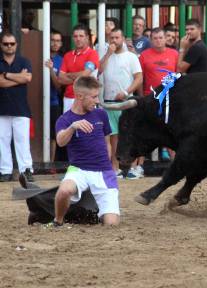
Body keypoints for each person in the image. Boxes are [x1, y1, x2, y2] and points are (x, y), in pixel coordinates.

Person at [49, 76, 120, 227]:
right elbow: (61, 141)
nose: (97, 101)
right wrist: (73, 127)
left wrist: (110, 165)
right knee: (64, 191)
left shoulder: (101, 114)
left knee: (112, 224)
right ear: (79, 96)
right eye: (94, 97)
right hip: (78, 169)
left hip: (103, 172)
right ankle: (58, 221)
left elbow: (107, 142)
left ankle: (95, 208)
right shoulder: (65, 119)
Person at [101, 28, 143, 179]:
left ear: (123, 39)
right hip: (109, 101)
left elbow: (139, 78)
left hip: (126, 101)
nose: (114, 40)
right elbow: (99, 71)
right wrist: (107, 54)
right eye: (111, 38)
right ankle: (115, 168)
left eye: (117, 37)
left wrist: (126, 92)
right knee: (113, 136)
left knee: (130, 134)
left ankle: (133, 167)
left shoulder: (131, 57)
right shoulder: (106, 56)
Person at [140, 27, 179, 162]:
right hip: (150, 99)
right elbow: (141, 78)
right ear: (151, 40)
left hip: (171, 99)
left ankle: (177, 165)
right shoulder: (144, 55)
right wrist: (141, 98)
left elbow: (179, 75)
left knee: (171, 132)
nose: (158, 41)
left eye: (160, 38)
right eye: (155, 38)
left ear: (165, 39)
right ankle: (137, 166)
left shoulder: (174, 54)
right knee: (145, 132)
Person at [0, 32, 34, 182]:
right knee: (2, 141)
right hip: (2, 108)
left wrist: (6, 75)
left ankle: (26, 170)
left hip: (21, 108)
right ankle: (5, 171)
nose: (9, 46)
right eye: (6, 43)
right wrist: (18, 78)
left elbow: (28, 78)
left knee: (22, 141)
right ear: (1, 45)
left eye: (12, 43)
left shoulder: (24, 61)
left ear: (16, 45)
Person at [58, 24, 99, 113]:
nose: (78, 39)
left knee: (87, 126)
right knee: (68, 126)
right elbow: (60, 79)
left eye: (81, 36)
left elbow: (85, 75)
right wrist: (79, 77)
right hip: (68, 98)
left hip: (87, 98)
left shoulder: (92, 54)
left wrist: (68, 75)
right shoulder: (67, 56)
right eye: (75, 36)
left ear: (87, 38)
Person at [44, 30, 64, 164]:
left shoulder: (61, 60)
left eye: (58, 41)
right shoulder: (40, 53)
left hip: (53, 102)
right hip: (37, 101)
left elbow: (59, 87)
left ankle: (51, 163)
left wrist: (51, 70)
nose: (55, 43)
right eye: (52, 40)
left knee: (53, 134)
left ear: (61, 43)